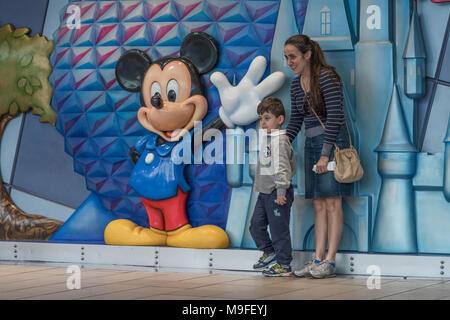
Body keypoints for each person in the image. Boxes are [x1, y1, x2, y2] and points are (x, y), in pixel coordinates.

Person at [283, 34, 352, 279]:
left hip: (332, 144)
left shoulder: (327, 77)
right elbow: (296, 121)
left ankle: (330, 261)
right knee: (318, 204)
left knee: (333, 202)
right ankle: (317, 259)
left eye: (293, 56)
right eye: (286, 58)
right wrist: (280, 143)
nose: (289, 62)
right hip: (311, 144)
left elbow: (335, 117)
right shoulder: (295, 84)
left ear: (307, 54)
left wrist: (325, 155)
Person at [249, 97, 296, 277]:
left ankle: (284, 264)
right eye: (261, 119)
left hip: (278, 193)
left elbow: (283, 166)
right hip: (265, 192)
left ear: (280, 119)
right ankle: (270, 253)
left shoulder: (280, 140)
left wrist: (281, 191)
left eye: (267, 118)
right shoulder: (269, 137)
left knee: (279, 230)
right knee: (255, 226)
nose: (263, 122)